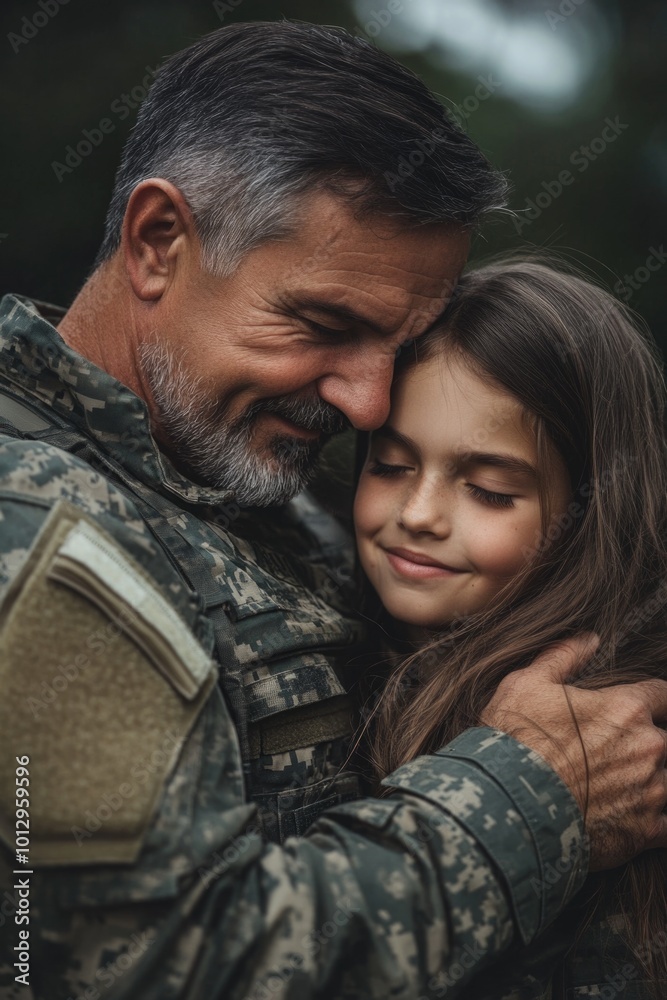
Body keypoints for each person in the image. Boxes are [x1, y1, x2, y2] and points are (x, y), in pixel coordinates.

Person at [0, 21, 666, 1000]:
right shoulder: (32, 530)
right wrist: (537, 796)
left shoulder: (239, 472)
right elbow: (158, 970)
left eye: (397, 344)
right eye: (323, 324)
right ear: (157, 243)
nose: (363, 403)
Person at [354, 257, 667, 999]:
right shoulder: (346, 641)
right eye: (390, 465)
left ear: (590, 510)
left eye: (488, 491)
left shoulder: (624, 735)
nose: (419, 513)